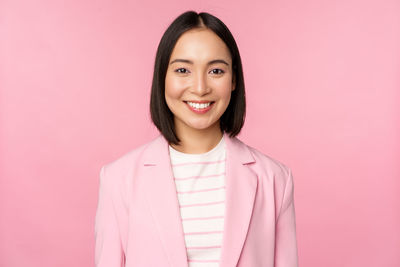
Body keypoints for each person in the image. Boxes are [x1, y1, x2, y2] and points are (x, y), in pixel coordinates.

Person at [94, 10, 298, 267]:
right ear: (162, 78)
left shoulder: (275, 179)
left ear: (233, 79)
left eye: (215, 71)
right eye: (182, 70)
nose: (200, 88)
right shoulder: (118, 179)